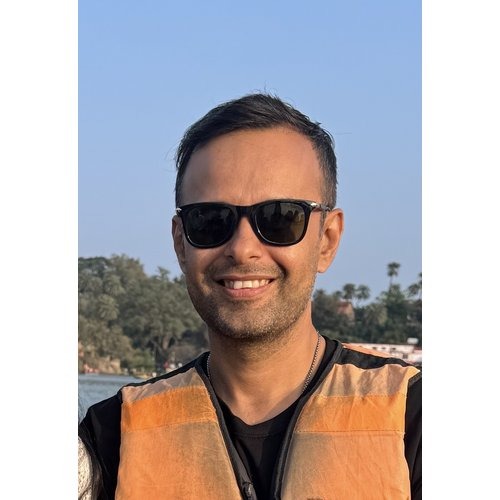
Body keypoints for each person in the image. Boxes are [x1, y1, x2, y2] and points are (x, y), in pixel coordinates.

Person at [79, 93, 421, 499]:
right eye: (210, 220)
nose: (242, 249)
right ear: (180, 243)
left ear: (327, 239)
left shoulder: (415, 418)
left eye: (280, 218)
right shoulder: (112, 437)